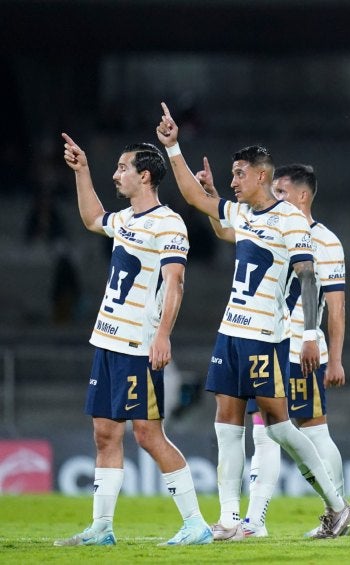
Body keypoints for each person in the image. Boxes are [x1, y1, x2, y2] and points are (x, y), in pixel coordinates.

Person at [155, 102, 350, 540]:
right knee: (225, 424)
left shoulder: (290, 220)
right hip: (230, 332)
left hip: (266, 336)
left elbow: (307, 276)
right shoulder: (243, 215)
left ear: (261, 176)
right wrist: (173, 148)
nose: (233, 182)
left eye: (239, 174)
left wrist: (309, 334)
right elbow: (195, 197)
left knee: (279, 428)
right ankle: (230, 519)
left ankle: (338, 506)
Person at [55, 134, 212, 547]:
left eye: (122, 168)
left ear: (144, 176)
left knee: (147, 434)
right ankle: (101, 528)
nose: (116, 174)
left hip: (138, 347)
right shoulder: (125, 219)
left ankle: (195, 524)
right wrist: (82, 171)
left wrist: (163, 335)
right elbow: (93, 219)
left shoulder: (169, 224)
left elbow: (175, 282)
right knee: (104, 434)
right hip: (107, 340)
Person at [197, 159, 349, 538]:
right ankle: (255, 521)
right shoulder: (269, 224)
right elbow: (227, 230)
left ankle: (336, 509)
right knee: (264, 432)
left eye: (282, 191)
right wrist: (213, 196)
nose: (275, 196)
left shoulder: (326, 241)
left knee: (313, 432)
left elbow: (336, 306)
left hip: (302, 352)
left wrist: (334, 358)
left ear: (303, 196)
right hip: (266, 340)